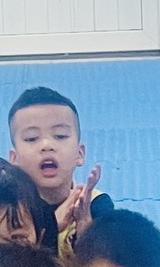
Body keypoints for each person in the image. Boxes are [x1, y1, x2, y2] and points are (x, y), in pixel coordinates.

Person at [6, 86, 111, 248]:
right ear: (14, 159)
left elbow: (110, 262)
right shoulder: (9, 211)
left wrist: (86, 232)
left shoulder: (96, 205)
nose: (47, 145)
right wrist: (52, 227)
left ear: (80, 154)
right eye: (32, 138)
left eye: (60, 136)